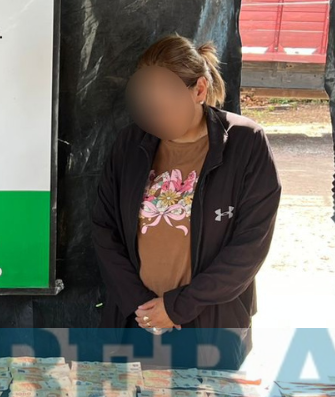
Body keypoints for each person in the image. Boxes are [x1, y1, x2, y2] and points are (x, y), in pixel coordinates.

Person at [91, 34, 282, 361]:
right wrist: (141, 306)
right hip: (136, 321)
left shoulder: (245, 143)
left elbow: (250, 245)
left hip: (210, 325)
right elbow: (104, 228)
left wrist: (178, 307)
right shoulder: (130, 143)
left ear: (199, 90)